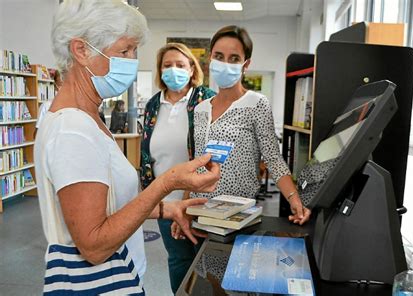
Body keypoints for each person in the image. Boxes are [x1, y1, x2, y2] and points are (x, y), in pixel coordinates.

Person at [34, 0, 220, 294]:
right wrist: (167, 182)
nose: (132, 61)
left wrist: (166, 209)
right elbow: (94, 246)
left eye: (134, 50)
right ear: (81, 50)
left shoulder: (87, 118)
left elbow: (107, 207)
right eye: (124, 51)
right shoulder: (73, 130)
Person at [175, 25, 311, 235]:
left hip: (236, 216)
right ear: (210, 58)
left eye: (234, 58)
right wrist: (183, 208)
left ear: (245, 64)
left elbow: (273, 158)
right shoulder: (201, 109)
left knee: (230, 265)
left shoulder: (256, 103)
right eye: (219, 56)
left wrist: (294, 199)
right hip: (199, 211)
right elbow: (196, 162)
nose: (225, 63)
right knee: (200, 266)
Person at [140, 42, 216, 293]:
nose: (173, 70)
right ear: (160, 71)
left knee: (206, 260)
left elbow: (209, 153)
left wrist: (187, 197)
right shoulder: (153, 104)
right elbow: (146, 151)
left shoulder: (206, 99)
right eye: (167, 65)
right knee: (178, 259)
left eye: (180, 65)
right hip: (164, 201)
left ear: (192, 70)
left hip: (199, 199)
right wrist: (152, 199)